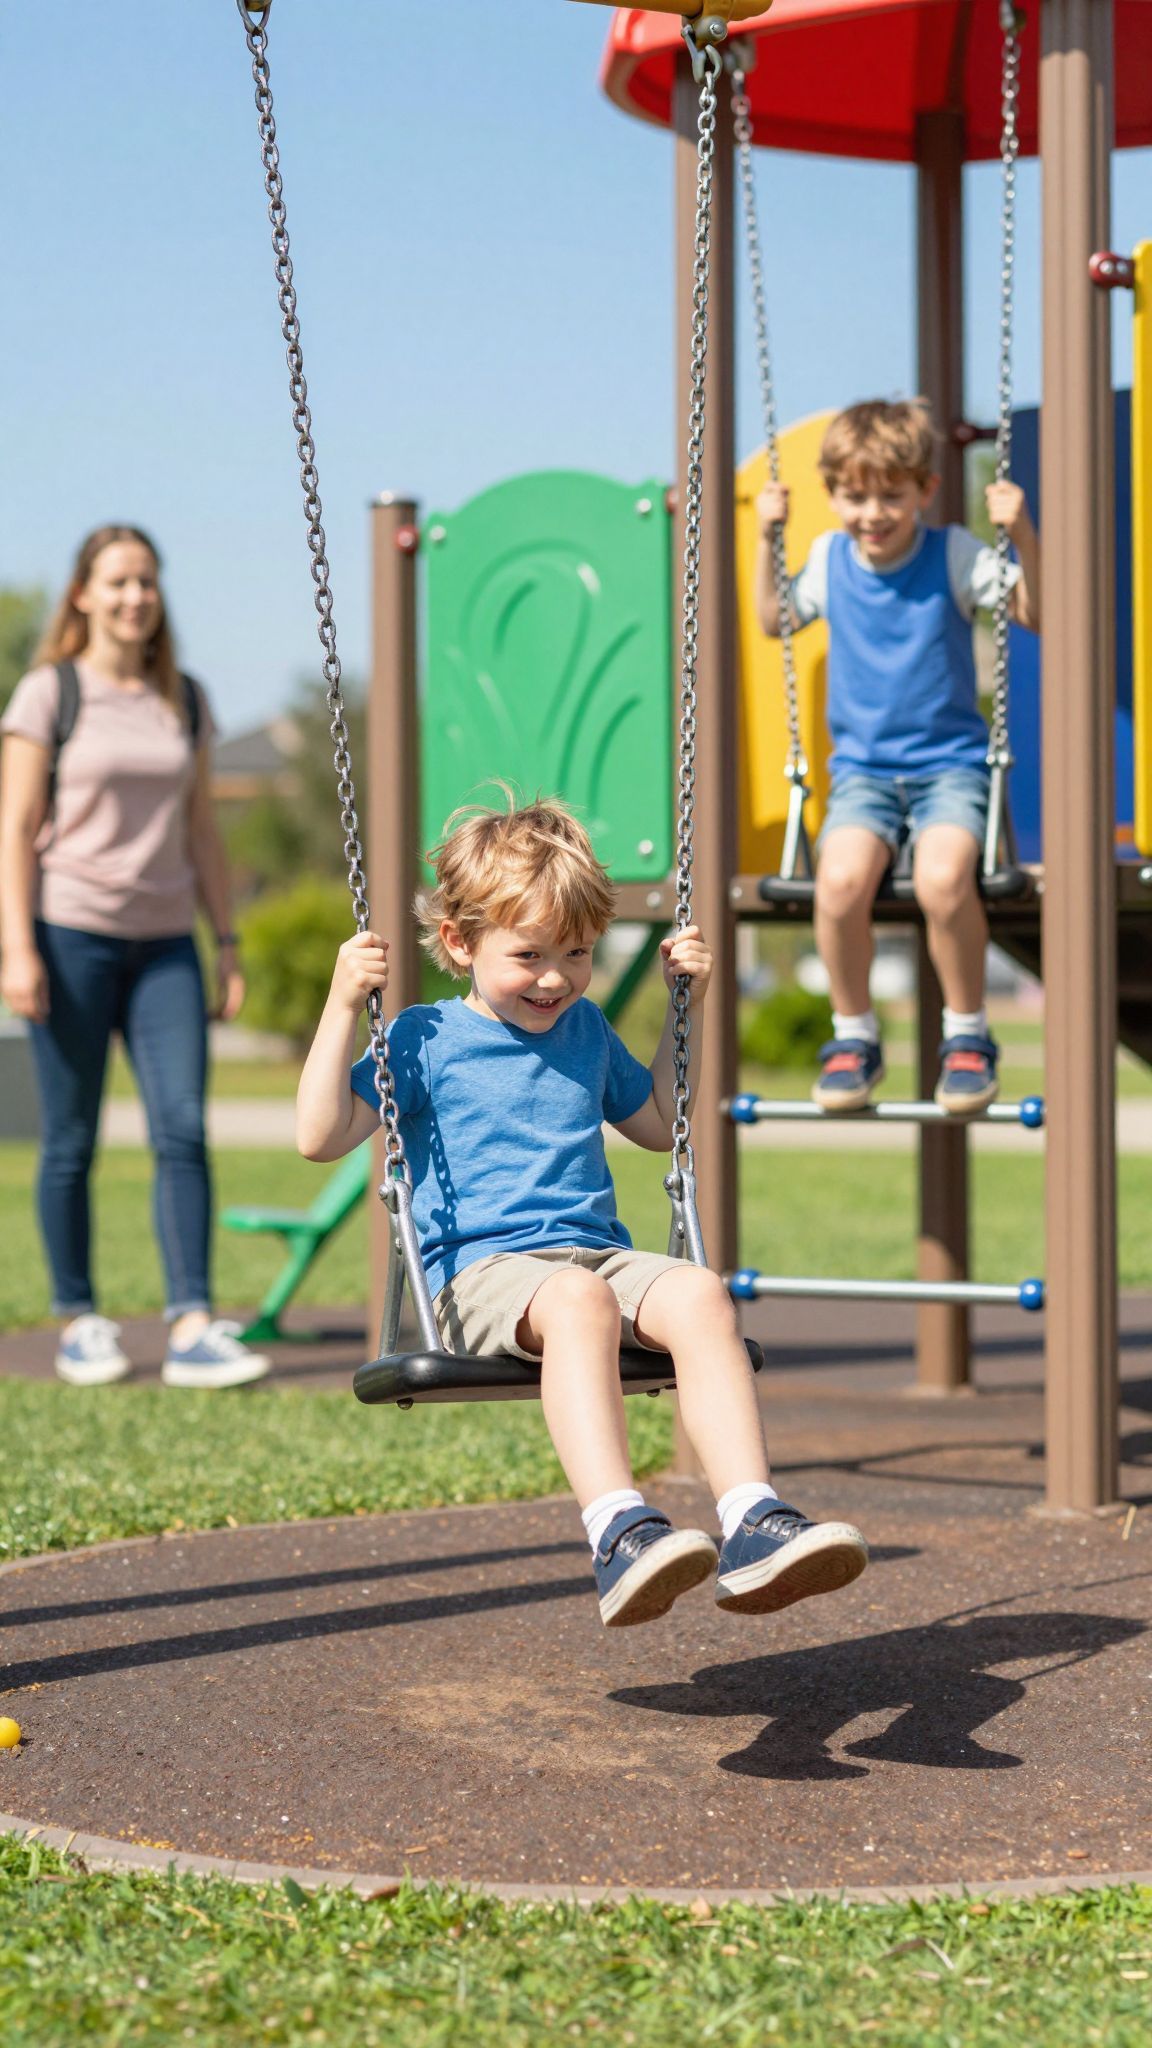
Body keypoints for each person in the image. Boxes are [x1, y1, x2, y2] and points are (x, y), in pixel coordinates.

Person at [297, 796, 868, 1627]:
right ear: (459, 943)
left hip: (592, 1258)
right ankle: (617, 1531)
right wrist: (343, 1004)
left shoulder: (587, 1030)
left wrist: (688, 1006)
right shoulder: (423, 1039)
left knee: (701, 1292)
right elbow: (319, 1137)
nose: (555, 978)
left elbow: (658, 1124)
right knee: (579, 1300)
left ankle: (752, 1519)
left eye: (577, 953)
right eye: (528, 955)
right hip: (479, 1276)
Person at [0, 525, 270, 1389]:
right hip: (68, 934)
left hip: (166, 946)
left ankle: (192, 1323)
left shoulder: (182, 698)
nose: (134, 597)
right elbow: (14, 827)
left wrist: (227, 942)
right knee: (71, 1138)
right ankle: (81, 1319)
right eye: (117, 581)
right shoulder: (50, 693)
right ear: (83, 594)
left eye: (146, 581)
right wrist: (16, 947)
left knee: (182, 1128)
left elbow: (202, 831)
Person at [756, 398, 1040, 1114]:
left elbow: (1034, 612)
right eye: (855, 497)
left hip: (950, 769)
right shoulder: (828, 560)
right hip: (863, 776)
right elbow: (773, 619)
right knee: (838, 884)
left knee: (944, 880)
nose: (873, 514)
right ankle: (854, 1036)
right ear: (832, 495)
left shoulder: (953, 553)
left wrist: (1020, 534)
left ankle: (967, 1034)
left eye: (891, 495)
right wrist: (767, 538)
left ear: (925, 490)